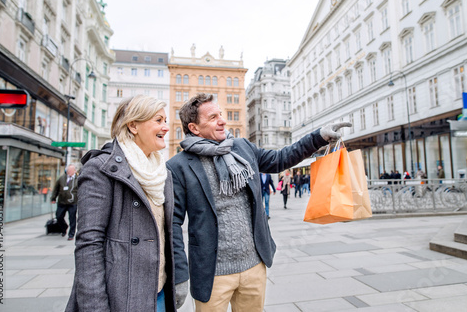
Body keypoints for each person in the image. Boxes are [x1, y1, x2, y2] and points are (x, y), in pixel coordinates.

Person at [166, 93, 351, 311]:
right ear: (194, 128)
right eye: (213, 117)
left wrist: (318, 137)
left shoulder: (242, 147)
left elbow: (281, 158)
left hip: (254, 266)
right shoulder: (178, 166)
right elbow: (172, 224)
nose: (223, 120)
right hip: (212, 273)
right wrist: (179, 275)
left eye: (221, 114)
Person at [65, 95, 176, 311]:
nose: (166, 127)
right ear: (133, 125)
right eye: (158, 120)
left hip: (159, 291)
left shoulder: (162, 173)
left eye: (165, 120)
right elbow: (89, 244)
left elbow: (168, 234)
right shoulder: (100, 169)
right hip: (121, 297)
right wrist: (95, 307)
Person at [50, 164, 78, 240]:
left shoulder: (78, 179)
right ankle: (64, 227)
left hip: (73, 202)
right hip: (62, 202)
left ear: (75, 171)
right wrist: (53, 198)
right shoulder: (62, 178)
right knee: (59, 216)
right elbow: (56, 189)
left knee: (72, 218)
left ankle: (71, 234)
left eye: (71, 170)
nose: (69, 172)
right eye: (68, 170)